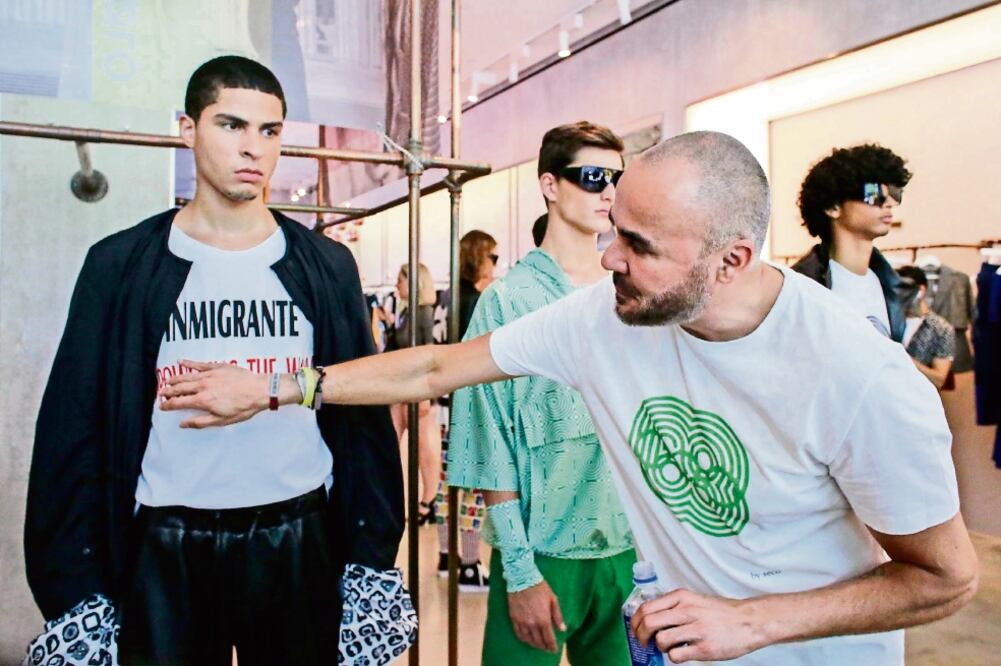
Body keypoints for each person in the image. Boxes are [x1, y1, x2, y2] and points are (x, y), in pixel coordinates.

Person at [161, 130, 978, 665]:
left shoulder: (858, 380)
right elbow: (435, 370)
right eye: (611, 222)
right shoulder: (599, 317)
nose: (609, 254)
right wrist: (276, 388)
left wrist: (754, 620)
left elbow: (944, 580)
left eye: (639, 244)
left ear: (729, 260)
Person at [24, 55, 403, 665]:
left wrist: (369, 556)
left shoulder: (326, 267)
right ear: (187, 129)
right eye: (231, 125)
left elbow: (362, 420)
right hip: (166, 542)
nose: (253, 148)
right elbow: (73, 429)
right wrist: (75, 584)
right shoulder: (120, 267)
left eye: (269, 131)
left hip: (297, 534)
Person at [449, 121, 636, 665]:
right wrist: (522, 572)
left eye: (616, 180)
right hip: (541, 549)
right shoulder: (506, 302)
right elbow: (488, 444)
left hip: (628, 550)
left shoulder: (628, 292)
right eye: (593, 176)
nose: (608, 192)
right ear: (550, 185)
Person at [793, 144, 911, 341]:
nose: (889, 202)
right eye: (874, 194)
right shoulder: (800, 289)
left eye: (894, 193)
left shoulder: (894, 287)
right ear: (833, 207)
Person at [384, 262, 441, 523]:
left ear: (415, 283)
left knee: (424, 451)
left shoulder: (424, 312)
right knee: (390, 444)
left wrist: (426, 394)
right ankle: (393, 499)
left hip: (418, 389)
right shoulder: (405, 312)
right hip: (400, 388)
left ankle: (429, 500)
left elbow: (429, 352)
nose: (397, 284)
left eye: (401, 279)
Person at [897, 265, 955, 389]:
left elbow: (939, 380)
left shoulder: (941, 328)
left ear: (920, 291)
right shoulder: (889, 319)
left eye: (904, 289)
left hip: (918, 401)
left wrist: (904, 359)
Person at [458, 229, 499, 337]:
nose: (495, 265)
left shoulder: (450, 293)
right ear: (478, 257)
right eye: (494, 258)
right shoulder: (473, 299)